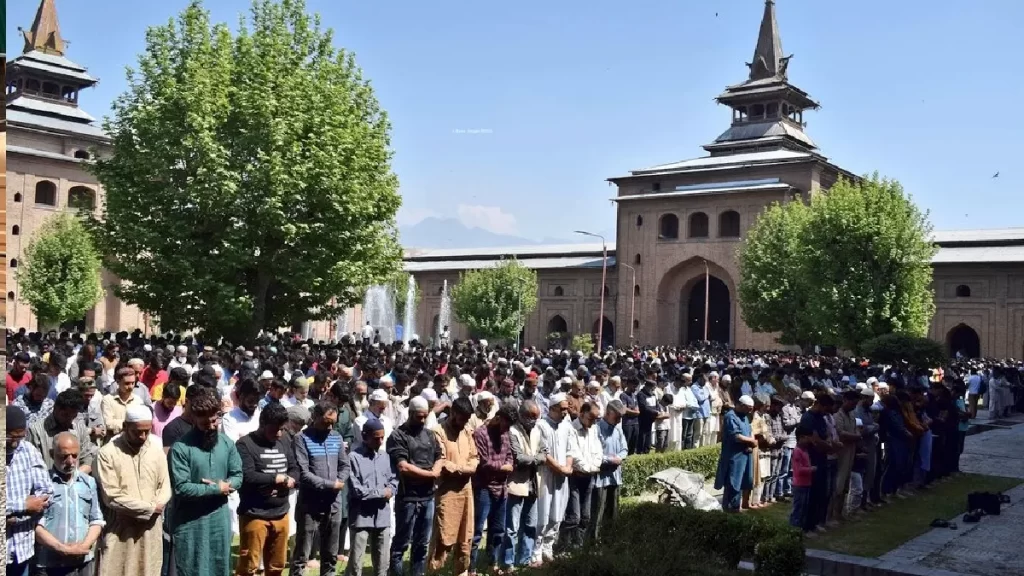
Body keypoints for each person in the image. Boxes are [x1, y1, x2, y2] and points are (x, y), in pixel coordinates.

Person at [169, 391, 244, 576]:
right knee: (191, 568)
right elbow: (181, 487)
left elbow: (238, 476)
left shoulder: (226, 443)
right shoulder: (180, 448)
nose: (211, 426)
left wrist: (227, 484)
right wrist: (216, 488)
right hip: (190, 522)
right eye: (205, 423)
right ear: (194, 419)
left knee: (219, 566)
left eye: (214, 420)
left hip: (219, 519)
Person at [96, 404, 171, 576]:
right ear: (125, 427)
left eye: (147, 431)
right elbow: (112, 496)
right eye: (137, 432)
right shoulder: (108, 453)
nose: (143, 436)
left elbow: (165, 485)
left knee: (149, 569)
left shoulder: (155, 449)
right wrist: (149, 508)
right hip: (121, 529)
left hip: (150, 529)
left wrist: (158, 504)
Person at [235, 403, 299, 576]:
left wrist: (289, 480)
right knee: (248, 567)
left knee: (277, 566)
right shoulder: (245, 444)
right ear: (262, 424)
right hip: (255, 515)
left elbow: (294, 468)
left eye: (282, 429)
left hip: (281, 513)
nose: (278, 434)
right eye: (274, 430)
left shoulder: (285, 439)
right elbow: (247, 476)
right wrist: (276, 479)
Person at [290, 401, 350, 576]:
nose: (330, 426)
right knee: (302, 555)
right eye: (326, 422)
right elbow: (304, 473)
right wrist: (331, 485)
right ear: (314, 417)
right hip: (310, 505)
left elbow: (345, 465)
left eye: (333, 422)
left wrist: (340, 480)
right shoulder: (301, 439)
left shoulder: (336, 437)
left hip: (333, 504)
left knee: (330, 555)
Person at [34, 432, 106, 576]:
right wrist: (63, 549)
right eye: (64, 456)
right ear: (52, 453)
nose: (70, 461)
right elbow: (35, 526)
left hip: (83, 563)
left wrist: (83, 547)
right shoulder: (41, 484)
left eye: (74, 456)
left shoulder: (88, 482)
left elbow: (96, 520)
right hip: (50, 565)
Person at [387, 396, 444, 576]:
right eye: (418, 416)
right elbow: (403, 466)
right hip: (408, 497)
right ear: (410, 413)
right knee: (401, 544)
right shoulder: (398, 435)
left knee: (422, 544)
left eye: (424, 417)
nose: (421, 420)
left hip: (427, 497)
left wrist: (435, 470)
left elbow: (440, 456)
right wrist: (431, 474)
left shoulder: (429, 434)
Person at [427, 397, 479, 574]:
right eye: (461, 418)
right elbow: (443, 464)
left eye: (466, 419)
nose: (463, 422)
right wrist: (464, 469)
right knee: (443, 535)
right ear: (453, 413)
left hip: (466, 490)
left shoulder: (467, 431)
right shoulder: (438, 431)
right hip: (446, 491)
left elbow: (474, 458)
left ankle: (461, 571)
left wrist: (465, 469)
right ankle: (435, 571)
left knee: (466, 534)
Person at [347, 419, 399, 576]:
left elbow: (394, 480)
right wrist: (382, 493)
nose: (380, 441)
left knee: (383, 563)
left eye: (382, 437)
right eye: (376, 438)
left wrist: (391, 489)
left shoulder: (386, 457)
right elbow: (357, 490)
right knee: (356, 563)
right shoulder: (353, 458)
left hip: (382, 516)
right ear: (365, 436)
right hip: (361, 517)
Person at [6, 405, 54, 576]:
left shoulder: (28, 450)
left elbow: (47, 493)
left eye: (19, 437)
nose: (13, 443)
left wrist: (14, 516)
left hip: (22, 549)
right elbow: (28, 505)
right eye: (8, 437)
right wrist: (22, 506)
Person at [470, 402, 515, 573]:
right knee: (477, 531)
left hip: (501, 488)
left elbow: (510, 456)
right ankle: (471, 568)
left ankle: (492, 564)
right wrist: (504, 467)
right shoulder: (480, 433)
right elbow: (484, 462)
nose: (507, 429)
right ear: (497, 418)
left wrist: (508, 464)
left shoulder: (505, 433)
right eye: (506, 424)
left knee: (498, 531)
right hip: (483, 487)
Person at [500, 400, 544, 571]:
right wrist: (536, 459)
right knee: (512, 528)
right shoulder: (512, 431)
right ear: (523, 415)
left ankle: (524, 560)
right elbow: (518, 458)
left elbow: (545, 452)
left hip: (533, 484)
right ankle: (508, 562)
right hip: (517, 484)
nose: (534, 420)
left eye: (536, 417)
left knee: (530, 525)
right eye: (532, 417)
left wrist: (534, 459)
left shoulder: (537, 430)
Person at [534, 393, 574, 565]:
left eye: (566, 409)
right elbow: (543, 451)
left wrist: (567, 467)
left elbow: (570, 450)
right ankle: (536, 550)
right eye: (562, 409)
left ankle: (548, 547)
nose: (565, 412)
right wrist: (558, 467)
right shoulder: (541, 426)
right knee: (543, 513)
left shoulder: (566, 426)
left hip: (562, 476)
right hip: (546, 475)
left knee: (557, 513)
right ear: (552, 408)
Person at [28, 389, 98, 475]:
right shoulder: (36, 431)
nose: (69, 419)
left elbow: (87, 459)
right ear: (55, 409)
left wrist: (75, 477)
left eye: (73, 415)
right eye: (65, 415)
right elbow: (33, 465)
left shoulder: (79, 428)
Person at [562, 402, 603, 551]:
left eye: (596, 419)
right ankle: (563, 544)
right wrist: (588, 468)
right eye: (591, 418)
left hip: (589, 476)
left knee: (585, 516)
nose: (593, 422)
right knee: (574, 516)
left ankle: (577, 546)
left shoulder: (594, 429)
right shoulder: (572, 429)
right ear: (582, 413)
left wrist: (594, 466)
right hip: (575, 476)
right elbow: (574, 454)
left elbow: (598, 450)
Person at [591, 399, 627, 541]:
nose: (619, 420)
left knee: (613, 511)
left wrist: (619, 457)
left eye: (620, 418)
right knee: (598, 511)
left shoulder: (618, 429)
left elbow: (624, 449)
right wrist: (610, 460)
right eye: (616, 417)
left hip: (615, 476)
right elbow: (595, 453)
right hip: (601, 478)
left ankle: (610, 539)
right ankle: (594, 541)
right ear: (608, 413)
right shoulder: (597, 429)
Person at [714, 395, 756, 512]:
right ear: (741, 406)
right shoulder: (730, 416)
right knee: (733, 483)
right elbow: (736, 436)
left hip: (745, 455)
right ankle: (730, 509)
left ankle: (736, 507)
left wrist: (751, 441)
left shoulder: (745, 417)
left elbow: (749, 430)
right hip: (734, 456)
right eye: (748, 408)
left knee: (743, 481)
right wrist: (751, 441)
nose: (750, 411)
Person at [100, 368, 144, 439]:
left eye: (133, 383)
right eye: (127, 383)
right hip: (114, 442)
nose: (130, 386)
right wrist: (128, 424)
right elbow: (108, 423)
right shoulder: (108, 400)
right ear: (118, 381)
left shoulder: (138, 401)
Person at [789, 426, 815, 532]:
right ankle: (793, 528)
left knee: (804, 508)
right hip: (799, 484)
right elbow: (798, 470)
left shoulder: (805, 450)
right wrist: (811, 469)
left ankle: (800, 528)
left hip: (806, 483)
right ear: (801, 437)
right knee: (798, 507)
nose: (810, 440)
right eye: (808, 437)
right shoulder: (797, 451)